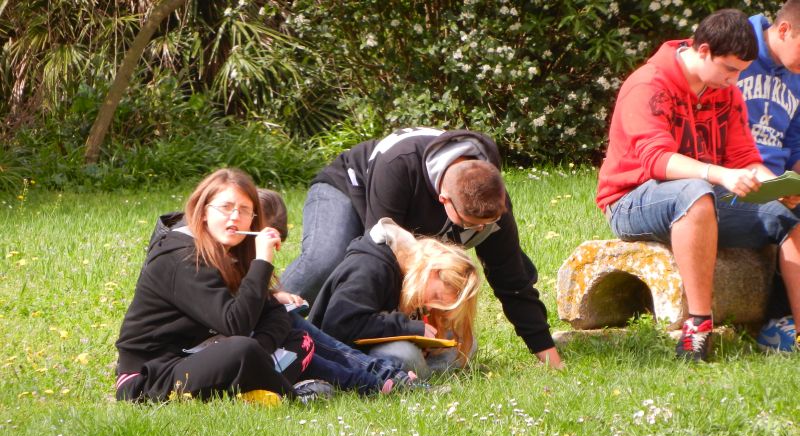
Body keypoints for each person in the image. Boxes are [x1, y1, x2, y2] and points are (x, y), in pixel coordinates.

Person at [596, 8, 800, 361]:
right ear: (703, 50)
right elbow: (657, 160)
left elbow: (744, 157)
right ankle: (698, 328)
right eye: (730, 69)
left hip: (700, 198)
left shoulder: (724, 91)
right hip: (631, 200)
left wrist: (777, 185)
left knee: (785, 216)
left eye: (741, 72)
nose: (734, 81)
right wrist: (720, 174)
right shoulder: (649, 84)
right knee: (696, 191)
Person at [280, 127, 563, 369]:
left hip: (405, 220)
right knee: (326, 261)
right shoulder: (399, 166)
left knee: (458, 347)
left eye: (486, 225)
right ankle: (258, 323)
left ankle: (365, 358)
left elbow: (511, 278)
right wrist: (406, 327)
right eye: (470, 225)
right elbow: (381, 254)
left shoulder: (487, 196)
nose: (480, 232)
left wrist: (549, 355)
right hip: (347, 187)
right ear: (444, 200)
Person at [114, 168, 383, 404]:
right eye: (225, 207)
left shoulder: (227, 252)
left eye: (244, 210)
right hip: (151, 376)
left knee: (296, 338)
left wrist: (261, 349)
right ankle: (292, 396)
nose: (234, 217)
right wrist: (263, 260)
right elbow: (236, 326)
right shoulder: (181, 258)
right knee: (242, 349)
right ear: (204, 211)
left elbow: (272, 311)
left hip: (201, 355)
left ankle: (259, 379)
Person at [256, 188, 419, 390]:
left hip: (277, 336)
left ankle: (390, 375)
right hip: (258, 351)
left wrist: (273, 296)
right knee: (320, 355)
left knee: (310, 335)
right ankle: (380, 381)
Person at [309, 218, 480, 379]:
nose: (429, 304)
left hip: (384, 340)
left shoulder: (413, 271)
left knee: (465, 343)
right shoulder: (369, 268)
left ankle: (416, 371)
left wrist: (422, 338)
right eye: (435, 296)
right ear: (432, 271)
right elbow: (339, 326)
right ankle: (414, 374)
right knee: (406, 356)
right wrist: (408, 329)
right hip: (344, 352)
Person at [737, 2, 800, 351]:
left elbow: (796, 144)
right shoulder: (736, 49)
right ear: (785, 30)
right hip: (737, 179)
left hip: (778, 182)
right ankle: (778, 323)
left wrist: (794, 184)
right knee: (791, 220)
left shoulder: (796, 76)